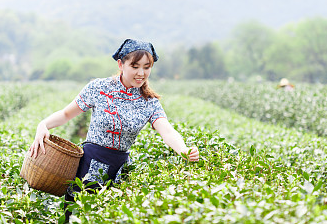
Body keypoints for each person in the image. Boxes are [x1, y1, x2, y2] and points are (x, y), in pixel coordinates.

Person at [28, 38, 199, 220]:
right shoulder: (99, 88)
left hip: (120, 172)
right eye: (135, 66)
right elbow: (66, 114)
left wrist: (184, 151)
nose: (141, 73)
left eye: (147, 67)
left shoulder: (149, 101)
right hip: (88, 168)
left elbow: (167, 131)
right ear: (121, 64)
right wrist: (43, 125)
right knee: (78, 217)